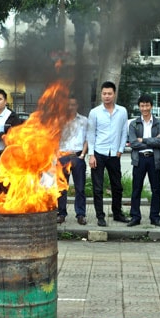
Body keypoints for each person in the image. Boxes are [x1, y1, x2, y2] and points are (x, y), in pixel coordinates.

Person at [87, 81, 129, 227]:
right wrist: (91, 155)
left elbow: (124, 131)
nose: (107, 96)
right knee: (98, 187)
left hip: (114, 154)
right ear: (101, 94)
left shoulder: (122, 111)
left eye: (109, 93)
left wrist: (121, 149)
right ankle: (100, 216)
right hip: (98, 153)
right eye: (104, 93)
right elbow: (91, 134)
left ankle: (117, 213)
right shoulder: (95, 112)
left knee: (117, 186)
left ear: (114, 94)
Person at [127, 94, 160, 227]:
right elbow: (133, 143)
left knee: (156, 189)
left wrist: (143, 140)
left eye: (147, 105)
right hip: (140, 160)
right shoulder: (134, 124)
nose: (145, 108)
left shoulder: (159, 123)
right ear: (139, 107)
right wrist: (152, 141)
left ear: (151, 106)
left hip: (154, 159)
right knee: (136, 189)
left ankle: (155, 217)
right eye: (142, 105)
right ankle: (135, 216)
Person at [57, 96, 88, 225]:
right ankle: (61, 213)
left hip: (78, 157)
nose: (71, 107)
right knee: (61, 188)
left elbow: (88, 139)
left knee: (80, 188)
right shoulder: (60, 120)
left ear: (77, 106)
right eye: (68, 105)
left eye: (73, 105)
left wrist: (83, 155)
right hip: (63, 157)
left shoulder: (84, 121)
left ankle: (80, 214)